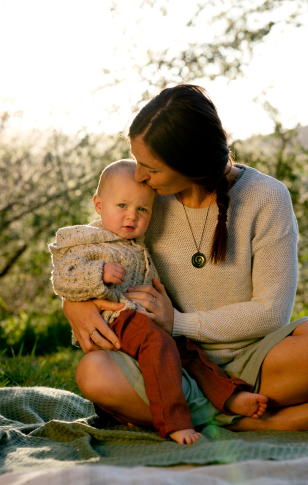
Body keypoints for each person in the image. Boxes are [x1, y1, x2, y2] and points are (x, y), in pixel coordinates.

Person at [64, 84, 308, 432]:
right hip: (169, 363)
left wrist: (178, 322)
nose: (138, 176)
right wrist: (73, 303)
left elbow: (271, 312)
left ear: (190, 164)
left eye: (150, 167)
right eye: (136, 162)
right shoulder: (146, 199)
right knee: (94, 372)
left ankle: (207, 411)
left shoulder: (266, 197)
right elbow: (83, 249)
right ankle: (253, 421)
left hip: (258, 359)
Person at [49, 159, 268, 444]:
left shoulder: (136, 243)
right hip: (116, 319)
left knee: (187, 350)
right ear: (99, 204)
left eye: (142, 209)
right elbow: (63, 277)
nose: (132, 216)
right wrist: (97, 273)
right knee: (158, 344)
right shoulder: (85, 241)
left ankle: (228, 397)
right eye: (122, 206)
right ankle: (175, 422)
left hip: (145, 319)